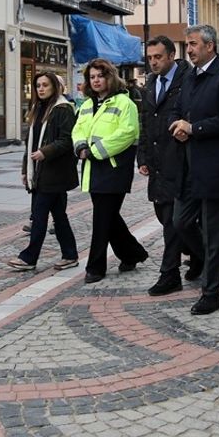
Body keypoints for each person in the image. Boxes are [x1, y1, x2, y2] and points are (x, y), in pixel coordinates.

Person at [169, 24, 219, 315]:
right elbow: (177, 110)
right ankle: (217, 260)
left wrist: (195, 128)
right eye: (187, 45)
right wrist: (175, 125)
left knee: (214, 234)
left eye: (192, 44)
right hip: (188, 165)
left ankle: (211, 293)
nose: (188, 50)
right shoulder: (190, 76)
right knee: (181, 222)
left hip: (216, 167)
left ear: (210, 46)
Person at [72, 57, 148, 284]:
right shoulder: (86, 105)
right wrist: (80, 146)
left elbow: (128, 133)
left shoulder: (125, 104)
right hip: (92, 169)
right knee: (109, 217)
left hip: (114, 169)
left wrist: (94, 151)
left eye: (100, 76)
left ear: (110, 77)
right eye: (92, 77)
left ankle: (95, 267)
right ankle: (133, 253)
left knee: (102, 218)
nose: (95, 81)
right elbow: (77, 129)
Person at [8, 71, 79, 271]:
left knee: (39, 215)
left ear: (54, 87)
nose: (41, 89)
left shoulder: (62, 108)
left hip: (54, 172)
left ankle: (29, 258)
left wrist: (44, 153)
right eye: (38, 85)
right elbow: (29, 144)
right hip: (40, 171)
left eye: (45, 85)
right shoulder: (38, 108)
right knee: (59, 216)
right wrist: (25, 169)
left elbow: (67, 140)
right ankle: (70, 255)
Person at [137, 35, 191, 297]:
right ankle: (209, 254)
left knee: (172, 221)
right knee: (164, 215)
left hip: (180, 159)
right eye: (149, 58)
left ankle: (170, 274)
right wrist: (143, 157)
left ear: (171, 55)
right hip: (157, 161)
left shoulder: (186, 80)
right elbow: (145, 121)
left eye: (158, 57)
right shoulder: (150, 83)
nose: (153, 62)